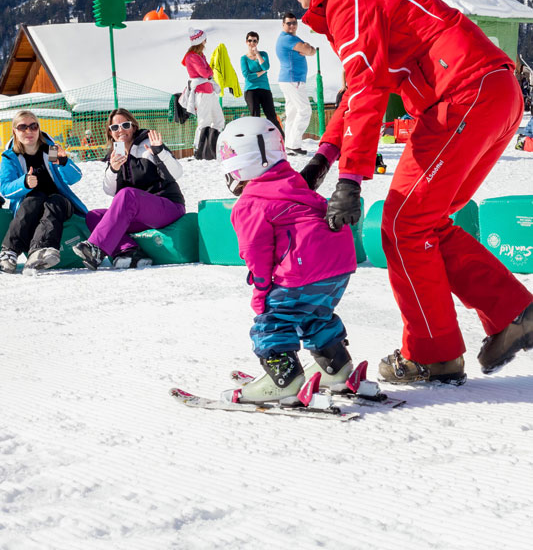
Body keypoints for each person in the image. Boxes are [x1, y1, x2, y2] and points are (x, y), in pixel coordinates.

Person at [272, 0, 533, 385]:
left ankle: (433, 354)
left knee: (403, 224)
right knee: (422, 221)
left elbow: (367, 89)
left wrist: (350, 180)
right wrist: (323, 158)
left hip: (462, 95)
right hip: (489, 93)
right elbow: (357, 92)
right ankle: (512, 314)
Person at [217, 116, 356, 405]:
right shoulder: (294, 184)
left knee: (273, 321)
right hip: (339, 266)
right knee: (316, 314)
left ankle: (284, 379)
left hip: (302, 270)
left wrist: (261, 292)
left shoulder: (250, 203)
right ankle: (336, 367)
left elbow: (256, 253)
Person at [73, 109, 185, 270]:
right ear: (110, 133)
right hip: (139, 215)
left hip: (168, 208)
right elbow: (110, 191)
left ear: (133, 127)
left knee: (127, 194)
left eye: (125, 125)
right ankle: (130, 251)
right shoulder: (116, 154)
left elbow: (176, 173)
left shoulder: (148, 145)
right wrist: (114, 169)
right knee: (94, 216)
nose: (120, 130)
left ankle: (96, 248)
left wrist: (160, 152)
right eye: (115, 127)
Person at [0, 110, 86, 273]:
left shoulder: (50, 150)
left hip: (60, 202)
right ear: (14, 131)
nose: (29, 131)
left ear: (39, 129)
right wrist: (24, 183)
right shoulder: (11, 157)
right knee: (35, 198)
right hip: (29, 206)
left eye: (33, 126)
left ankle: (41, 250)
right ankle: (9, 252)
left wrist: (64, 162)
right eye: (23, 127)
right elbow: (5, 189)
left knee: (54, 201)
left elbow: (74, 178)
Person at [181, 27, 225, 160]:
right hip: (201, 93)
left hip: (209, 91)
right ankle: (199, 151)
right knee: (204, 121)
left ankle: (212, 149)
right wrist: (209, 72)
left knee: (219, 119)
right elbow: (206, 73)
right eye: (204, 39)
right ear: (200, 41)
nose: (206, 41)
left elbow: (208, 72)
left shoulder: (200, 55)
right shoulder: (192, 57)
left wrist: (209, 72)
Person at [275, 12, 316, 155]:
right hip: (293, 79)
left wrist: (307, 48)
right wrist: (306, 48)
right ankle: (293, 144)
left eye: (294, 23)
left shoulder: (290, 39)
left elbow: (311, 51)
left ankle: (289, 144)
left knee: (292, 113)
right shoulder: (287, 39)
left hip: (289, 79)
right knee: (305, 110)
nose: (292, 26)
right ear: (283, 25)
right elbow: (309, 51)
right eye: (289, 23)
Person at [240, 31, 283, 136]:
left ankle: (282, 139)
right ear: (246, 42)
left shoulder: (263, 54)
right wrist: (260, 73)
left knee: (272, 117)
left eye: (254, 41)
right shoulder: (244, 58)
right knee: (256, 117)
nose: (252, 43)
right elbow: (247, 76)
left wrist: (257, 54)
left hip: (264, 89)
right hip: (251, 90)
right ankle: (257, 140)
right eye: (250, 40)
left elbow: (266, 67)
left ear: (257, 42)